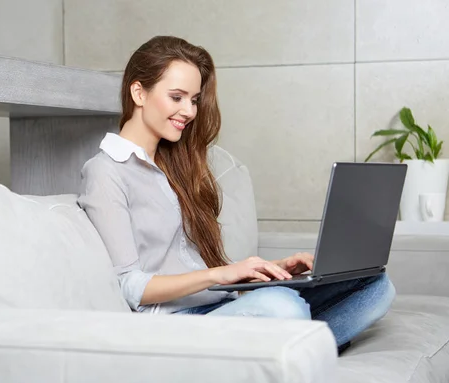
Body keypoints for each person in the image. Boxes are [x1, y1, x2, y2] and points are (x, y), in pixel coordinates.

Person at [77, 35, 395, 353]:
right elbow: (130, 286)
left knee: (375, 287)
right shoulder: (106, 171)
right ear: (138, 92)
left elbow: (195, 266)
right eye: (176, 97)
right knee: (282, 306)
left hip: (221, 303)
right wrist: (222, 274)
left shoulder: (173, 165)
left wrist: (272, 269)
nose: (188, 111)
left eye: (194, 100)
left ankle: (293, 347)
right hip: (177, 323)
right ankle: (300, 345)